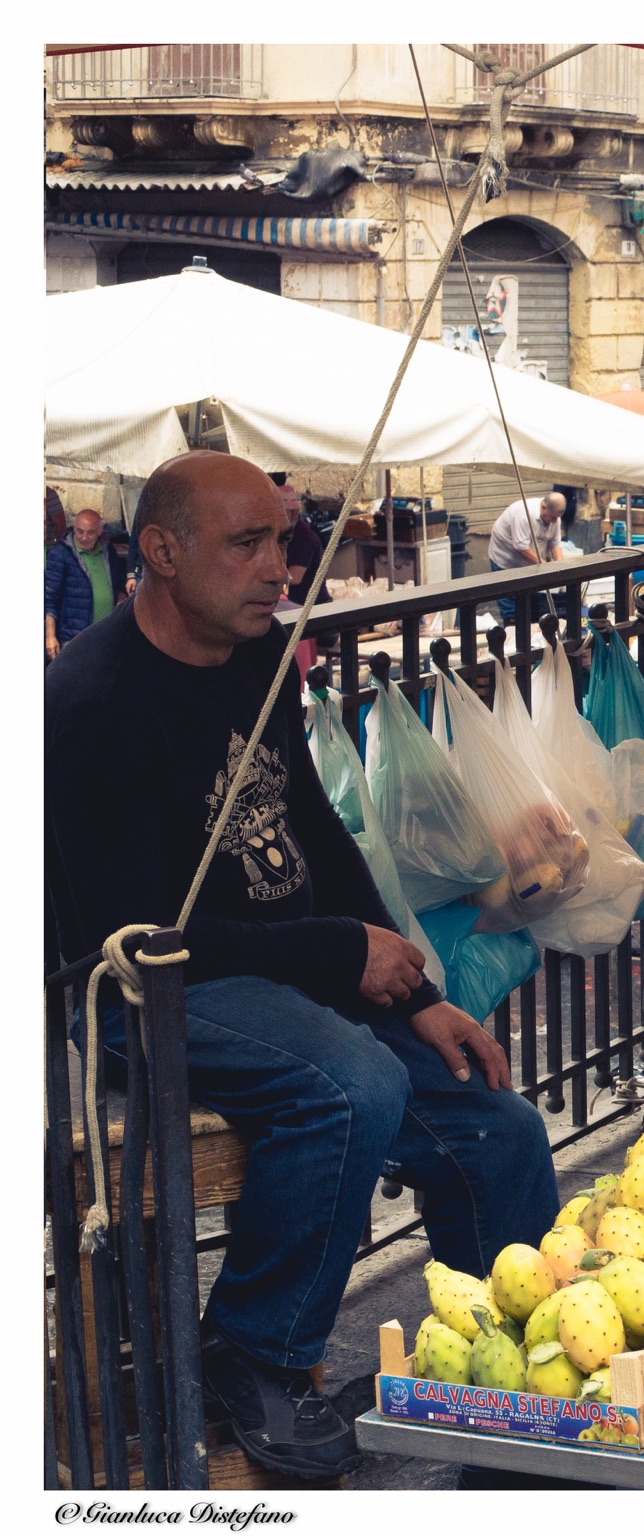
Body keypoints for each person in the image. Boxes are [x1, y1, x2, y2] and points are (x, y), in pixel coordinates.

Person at [45, 451, 556, 1479]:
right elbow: (135, 940)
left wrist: (412, 992)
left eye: (283, 538)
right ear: (159, 552)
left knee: (499, 1130)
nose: (281, 566)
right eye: (249, 544)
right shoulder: (93, 703)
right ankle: (255, 1348)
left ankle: (511, 1417)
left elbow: (316, 835)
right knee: (349, 1081)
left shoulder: (259, 655)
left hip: (286, 979)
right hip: (150, 989)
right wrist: (337, 954)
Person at [46, 507, 131, 660]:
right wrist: (50, 637)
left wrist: (120, 602)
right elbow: (50, 599)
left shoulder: (107, 550)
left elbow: (118, 587)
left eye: (90, 532)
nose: (84, 537)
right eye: (79, 531)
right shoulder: (60, 555)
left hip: (105, 635)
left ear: (99, 532)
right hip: (74, 637)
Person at [486, 490, 566, 626]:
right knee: (510, 607)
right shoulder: (524, 514)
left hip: (529, 563)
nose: (554, 521)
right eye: (552, 518)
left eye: (556, 518)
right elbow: (520, 547)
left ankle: (531, 636)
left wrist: (559, 568)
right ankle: (512, 633)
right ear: (544, 507)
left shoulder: (555, 518)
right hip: (506, 560)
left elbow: (555, 543)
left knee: (530, 604)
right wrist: (544, 565)